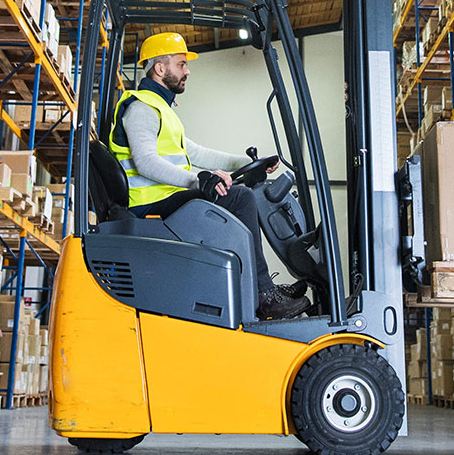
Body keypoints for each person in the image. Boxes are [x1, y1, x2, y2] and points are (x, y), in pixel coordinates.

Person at [108, 32, 312, 320]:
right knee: (239, 197)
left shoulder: (163, 109)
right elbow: (145, 163)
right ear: (159, 68)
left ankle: (261, 288)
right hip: (149, 206)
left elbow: (196, 152)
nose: (187, 71)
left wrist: (247, 162)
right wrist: (198, 181)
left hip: (168, 198)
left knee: (242, 192)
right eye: (181, 64)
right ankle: (264, 294)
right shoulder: (142, 108)